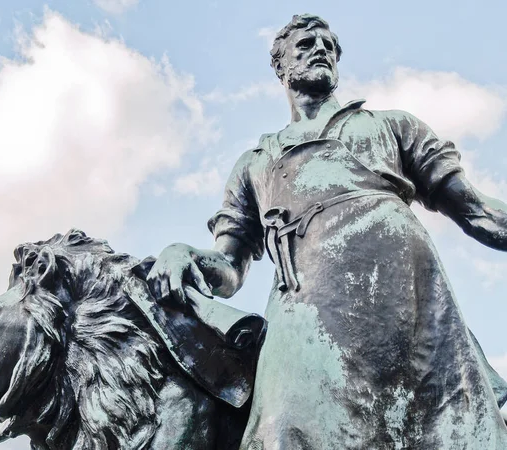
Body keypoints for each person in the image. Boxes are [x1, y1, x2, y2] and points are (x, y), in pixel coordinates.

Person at [147, 14, 507, 449]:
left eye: (329, 45)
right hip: (307, 312)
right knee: (284, 429)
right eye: (306, 44)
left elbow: (478, 212)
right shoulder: (256, 163)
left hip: (409, 307)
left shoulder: (391, 126)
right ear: (280, 67)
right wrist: (183, 252)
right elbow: (228, 267)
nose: (321, 49)